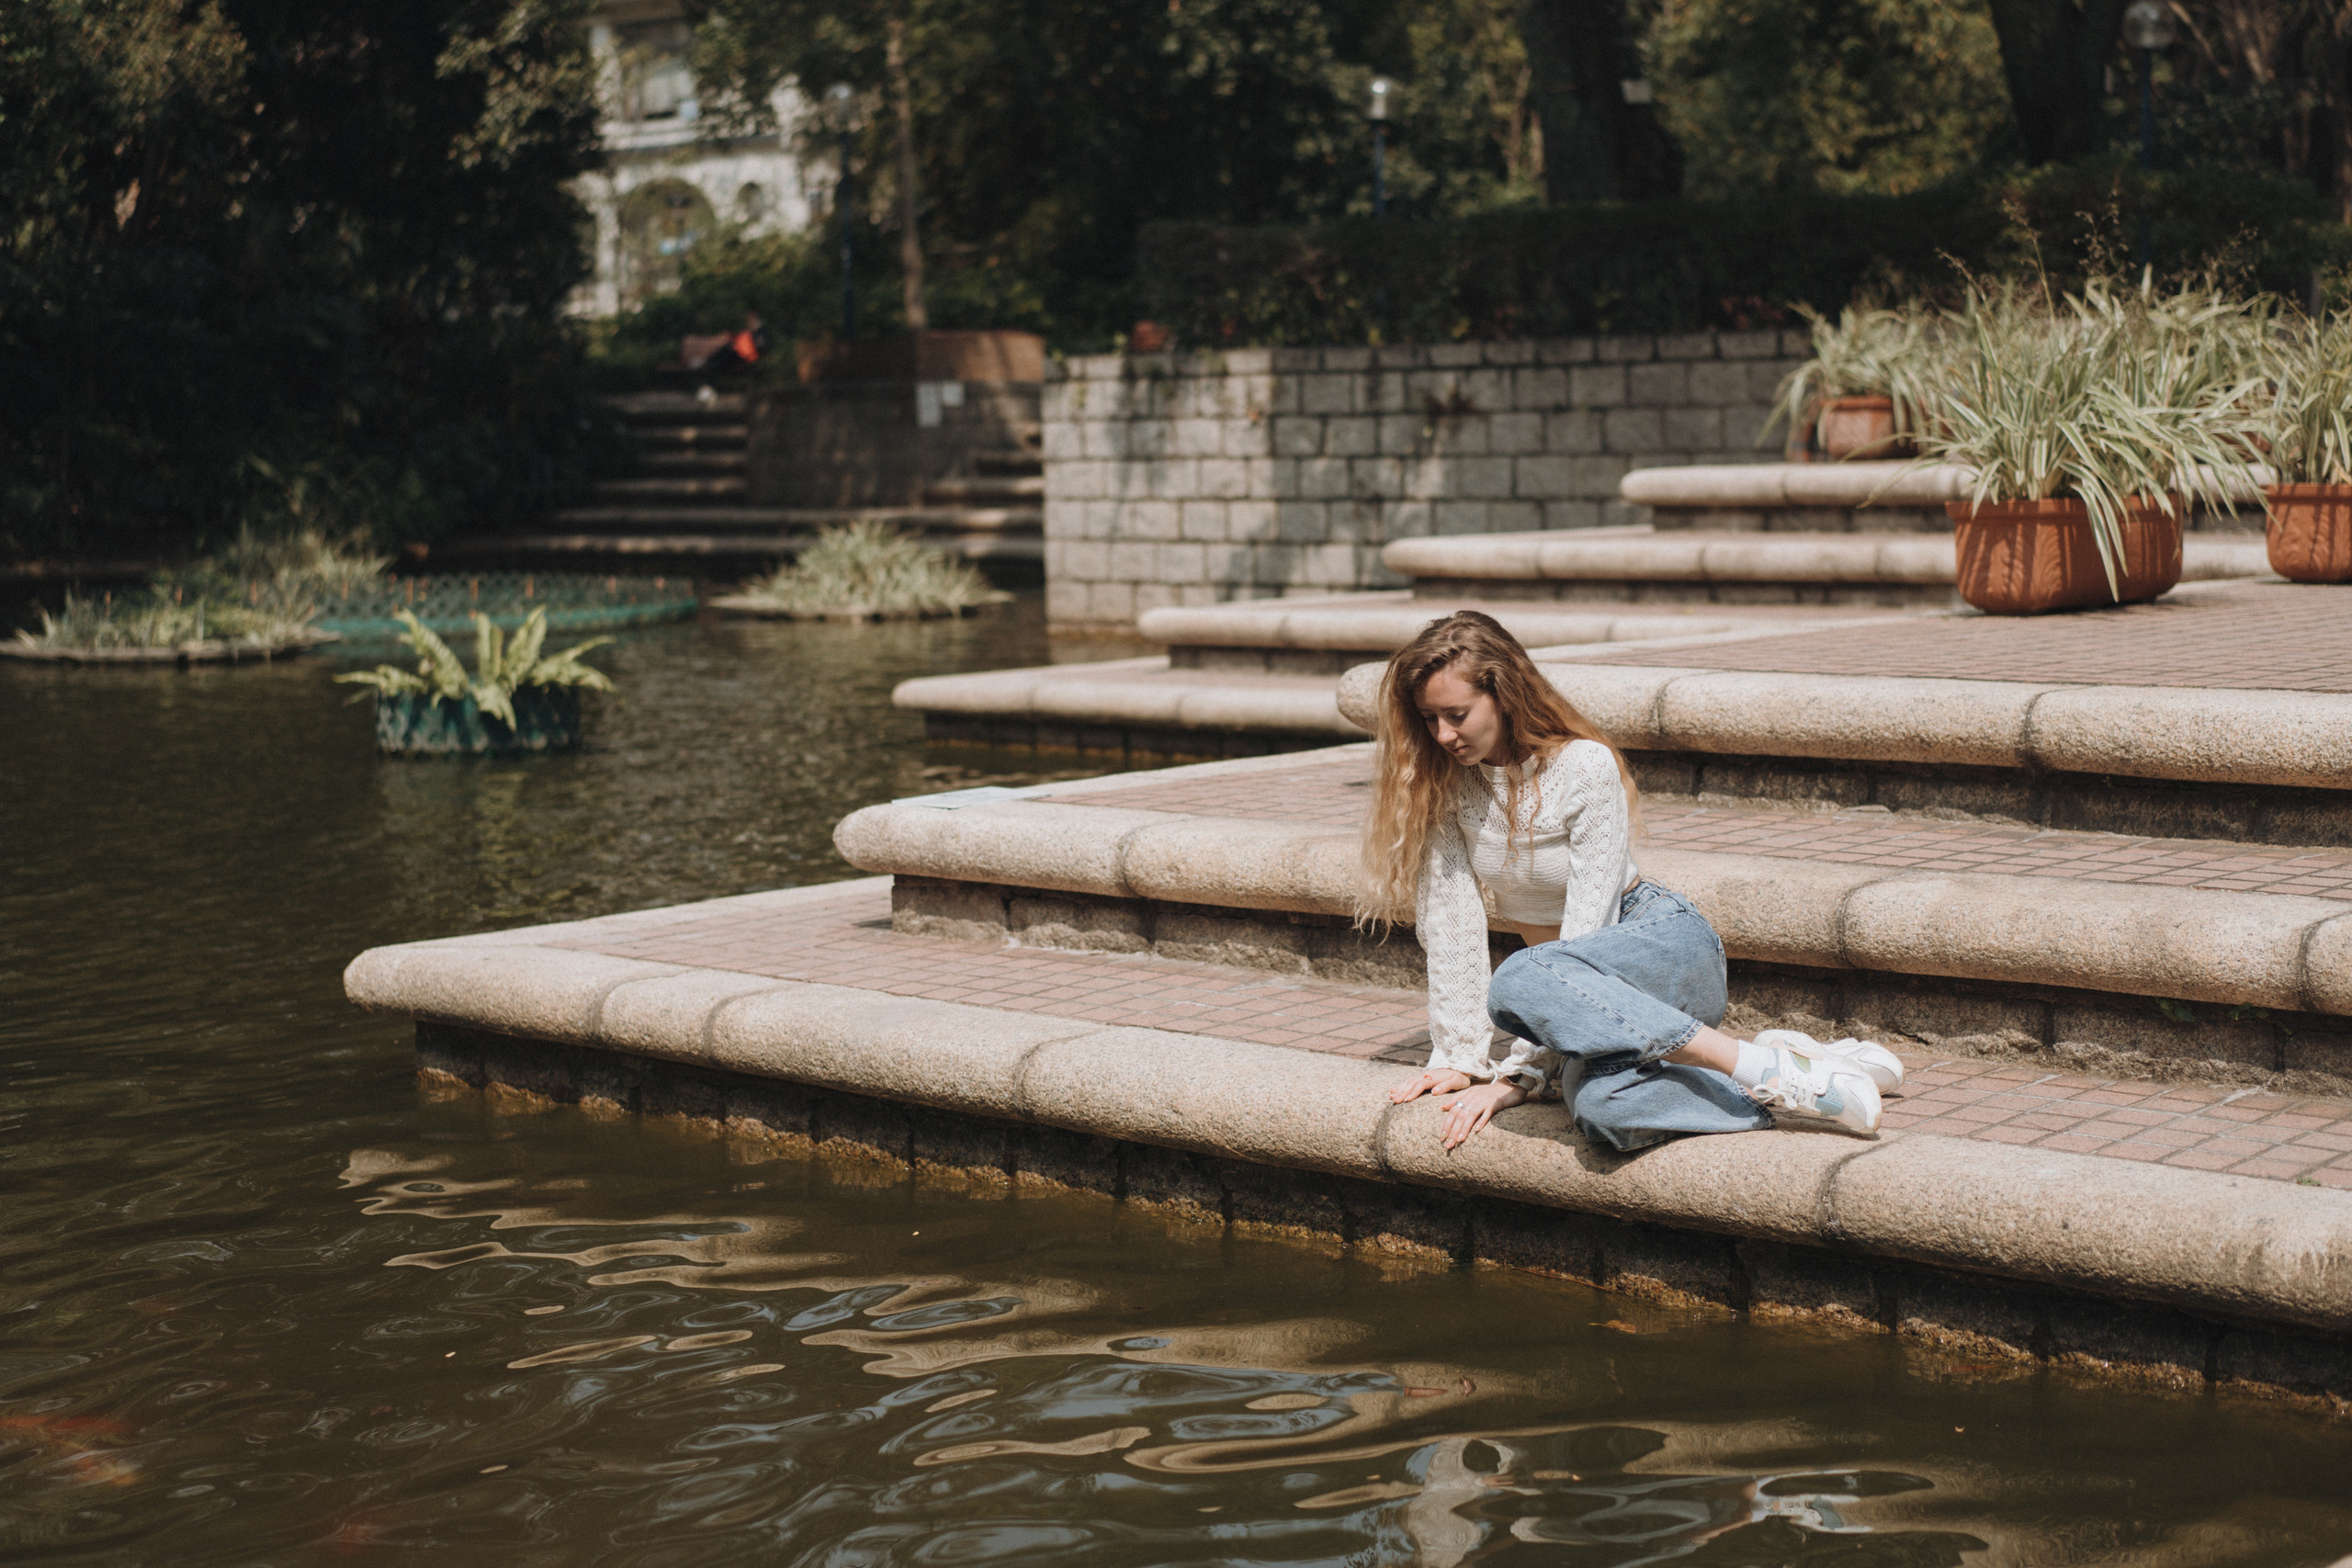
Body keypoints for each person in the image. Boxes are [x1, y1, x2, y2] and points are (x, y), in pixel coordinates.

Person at [1359, 611, 1903, 1152]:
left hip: (1656, 945)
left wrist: (1518, 1074)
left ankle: (1756, 1063)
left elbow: (1589, 929)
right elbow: (1451, 925)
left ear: (1503, 695)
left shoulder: (1584, 766)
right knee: (1604, 1111)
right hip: (1580, 999)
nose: (1443, 735)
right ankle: (1794, 1073)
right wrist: (1460, 1059)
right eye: (1429, 719)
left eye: (1456, 714)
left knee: (1518, 979)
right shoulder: (1443, 785)